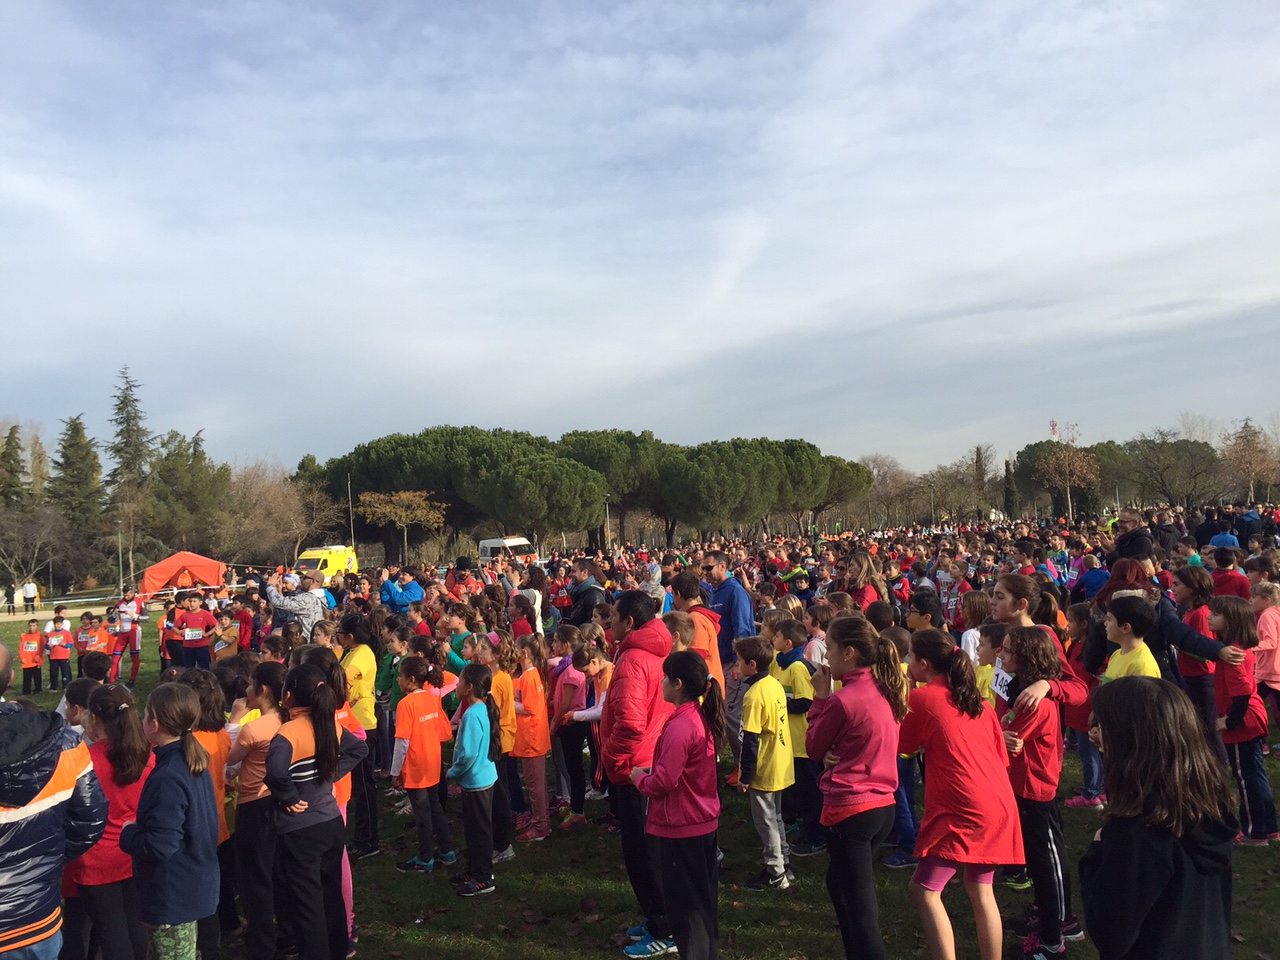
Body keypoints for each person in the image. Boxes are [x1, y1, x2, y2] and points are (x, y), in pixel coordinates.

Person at [1080, 677, 1236, 959]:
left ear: (1130, 743)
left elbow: (1110, 934)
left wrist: (1096, 853)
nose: (1098, 736)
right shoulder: (1207, 809)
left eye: (1105, 728)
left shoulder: (1137, 835)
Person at [898, 628, 1022, 960]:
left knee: (924, 890)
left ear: (924, 664)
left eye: (911, 657)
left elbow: (903, 745)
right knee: (981, 889)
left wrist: (906, 693)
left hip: (963, 804)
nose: (908, 662)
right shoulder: (978, 702)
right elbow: (1000, 755)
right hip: (998, 801)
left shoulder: (923, 699)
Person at [806, 616, 905, 960]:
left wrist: (820, 697)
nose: (826, 657)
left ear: (849, 653)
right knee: (839, 885)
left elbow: (814, 746)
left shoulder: (843, 699)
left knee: (861, 909)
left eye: (830, 649)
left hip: (852, 808)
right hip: (882, 805)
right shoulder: (885, 687)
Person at [0, 643, 107, 960]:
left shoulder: (65, 742)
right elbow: (90, 823)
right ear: (11, 678)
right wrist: (43, 861)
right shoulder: (66, 743)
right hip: (38, 919)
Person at [265, 664, 369, 960]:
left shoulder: (287, 733)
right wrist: (331, 774)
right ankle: (339, 949)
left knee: (306, 902)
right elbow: (359, 749)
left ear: (287, 697)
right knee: (331, 893)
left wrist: (288, 795)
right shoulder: (329, 725)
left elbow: (275, 771)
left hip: (300, 829)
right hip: (331, 822)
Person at [631, 651, 726, 960]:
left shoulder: (682, 725)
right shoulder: (697, 717)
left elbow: (664, 782)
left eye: (665, 678)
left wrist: (640, 779)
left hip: (683, 826)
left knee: (686, 910)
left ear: (678, 684)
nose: (660, 682)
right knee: (702, 902)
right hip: (699, 820)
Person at [119, 683, 219, 960]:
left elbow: (160, 844)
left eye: (145, 715)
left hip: (172, 895)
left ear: (155, 724)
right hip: (189, 883)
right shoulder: (191, 760)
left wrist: (128, 833)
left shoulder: (168, 776)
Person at [601, 590, 676, 958]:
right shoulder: (656, 651)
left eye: (613, 616)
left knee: (644, 853)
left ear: (629, 622)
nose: (609, 622)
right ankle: (657, 917)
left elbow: (630, 723)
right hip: (650, 757)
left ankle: (666, 929)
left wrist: (612, 759)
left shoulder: (633, 658)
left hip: (635, 767)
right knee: (647, 848)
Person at [1000, 627, 1081, 956]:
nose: (1002, 655)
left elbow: (1007, 737)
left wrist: (999, 732)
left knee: (1045, 867)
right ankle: (1046, 926)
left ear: (1025, 658)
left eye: (1007, 651)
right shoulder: (1023, 692)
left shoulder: (1036, 704)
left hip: (1036, 792)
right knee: (1036, 864)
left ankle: (1052, 941)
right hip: (1024, 788)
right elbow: (1005, 732)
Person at [66, 683, 154, 960]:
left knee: (111, 933)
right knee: (134, 925)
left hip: (95, 861)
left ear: (93, 717)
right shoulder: (147, 754)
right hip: (134, 851)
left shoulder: (84, 761)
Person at [226, 661, 288, 960]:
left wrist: (235, 719)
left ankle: (261, 944)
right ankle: (287, 936)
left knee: (254, 878)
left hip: (253, 803)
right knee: (279, 871)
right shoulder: (287, 720)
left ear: (262, 690)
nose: (246, 690)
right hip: (280, 799)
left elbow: (229, 760)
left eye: (251, 685)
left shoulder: (253, 728)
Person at [1207, 596, 1277, 844]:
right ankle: (1269, 827)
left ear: (1231, 620)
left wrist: (1229, 722)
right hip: (1251, 717)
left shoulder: (1233, 654)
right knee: (1256, 774)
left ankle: (1254, 832)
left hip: (1243, 722)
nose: (1209, 617)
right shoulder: (1235, 648)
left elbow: (1242, 693)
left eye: (1215, 614)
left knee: (1246, 778)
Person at [733, 633, 794, 891]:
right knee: (776, 817)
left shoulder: (754, 695)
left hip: (764, 768)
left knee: (765, 821)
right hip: (781, 763)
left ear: (752, 664)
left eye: (739, 661)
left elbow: (751, 740)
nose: (736, 666)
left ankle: (775, 873)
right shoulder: (773, 684)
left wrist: (745, 776)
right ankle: (784, 862)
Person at [391, 656, 455, 874]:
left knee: (422, 813)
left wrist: (395, 771)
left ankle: (425, 858)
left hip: (416, 766)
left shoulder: (405, 704)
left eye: (400, 676)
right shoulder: (431, 698)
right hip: (433, 761)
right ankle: (447, 851)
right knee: (435, 807)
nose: (397, 680)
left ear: (411, 680)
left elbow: (402, 741)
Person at [447, 663, 500, 897]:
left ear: (469, 687)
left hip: (477, 781)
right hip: (480, 779)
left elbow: (468, 754)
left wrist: (453, 772)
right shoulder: (481, 709)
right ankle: (474, 870)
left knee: (480, 831)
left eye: (459, 682)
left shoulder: (471, 714)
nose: (456, 686)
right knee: (473, 828)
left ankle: (485, 877)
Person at [702, 550, 755, 779]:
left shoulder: (735, 592)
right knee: (723, 713)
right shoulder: (714, 591)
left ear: (723, 567)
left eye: (709, 568)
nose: (705, 572)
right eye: (703, 568)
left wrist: (737, 662)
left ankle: (743, 766)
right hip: (719, 662)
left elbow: (742, 628)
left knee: (733, 716)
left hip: (734, 665)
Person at [336, 612, 383, 859]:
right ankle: (362, 836)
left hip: (362, 725)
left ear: (350, 636)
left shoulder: (362, 653)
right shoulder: (352, 651)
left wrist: (341, 692)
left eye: (339, 634)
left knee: (364, 786)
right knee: (359, 785)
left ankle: (368, 841)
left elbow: (343, 677)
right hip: (351, 723)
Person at [1102, 595, 1162, 681]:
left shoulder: (1142, 667)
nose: (1105, 623)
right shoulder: (1117, 654)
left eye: (1109, 619)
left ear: (1125, 628)